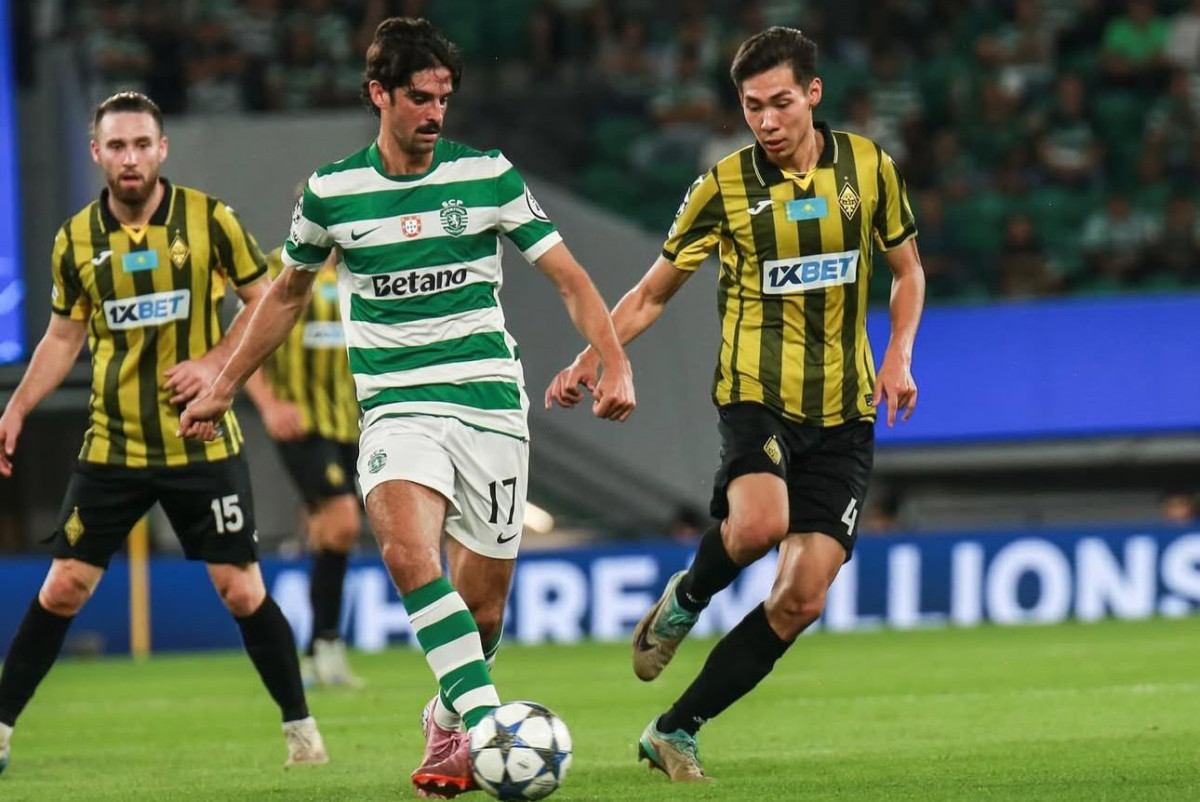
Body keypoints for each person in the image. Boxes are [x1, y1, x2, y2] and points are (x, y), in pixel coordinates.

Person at [179, 17, 635, 798]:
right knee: (403, 551)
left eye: (443, 98)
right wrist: (224, 382)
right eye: (419, 97)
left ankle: (447, 717)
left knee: (482, 614)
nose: (434, 113)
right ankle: (490, 727)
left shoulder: (488, 176)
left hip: (489, 404)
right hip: (397, 405)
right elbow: (284, 298)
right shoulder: (331, 193)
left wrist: (614, 360)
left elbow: (568, 276)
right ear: (379, 95)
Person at [547, 26, 925, 782]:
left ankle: (675, 731)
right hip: (757, 393)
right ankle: (685, 600)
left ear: (813, 94)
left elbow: (908, 271)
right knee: (757, 524)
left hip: (845, 411)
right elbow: (651, 293)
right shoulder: (722, 187)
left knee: (801, 600)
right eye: (753, 107)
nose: (767, 121)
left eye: (781, 103)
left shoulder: (869, 167)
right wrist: (596, 356)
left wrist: (898, 356)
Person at [0, 92, 327, 774]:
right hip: (113, 446)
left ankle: (302, 731)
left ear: (162, 149)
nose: (131, 158)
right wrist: (17, 408)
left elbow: (266, 301)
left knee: (240, 589)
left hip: (201, 440)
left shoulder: (210, 220)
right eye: (117, 146)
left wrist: (215, 363)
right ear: (97, 152)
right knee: (63, 587)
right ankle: (0, 730)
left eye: (142, 144)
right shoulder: (74, 240)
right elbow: (62, 338)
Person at [245, 244, 364, 689]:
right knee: (344, 521)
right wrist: (270, 406)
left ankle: (317, 651)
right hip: (302, 422)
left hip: (351, 422)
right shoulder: (279, 266)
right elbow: (246, 337)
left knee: (328, 532)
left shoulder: (361, 265)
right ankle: (327, 643)